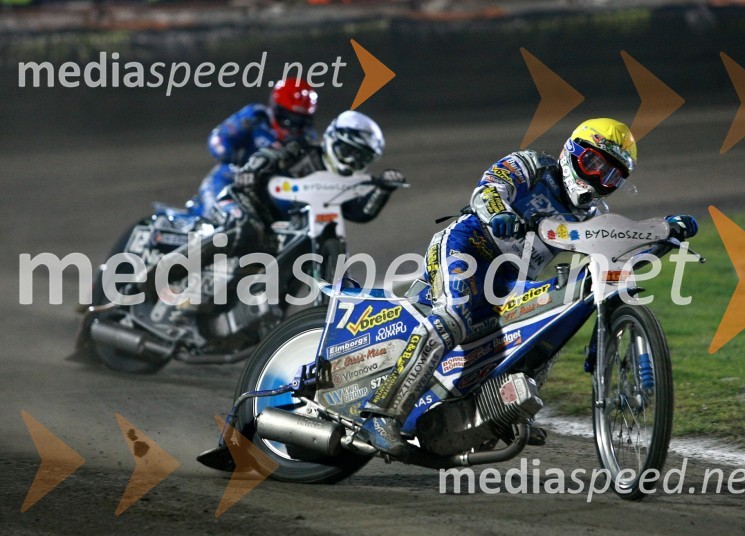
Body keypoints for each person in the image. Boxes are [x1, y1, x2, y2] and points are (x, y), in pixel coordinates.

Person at [359, 118, 698, 458]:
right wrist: (498, 214)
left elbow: (618, 244)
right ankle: (381, 413)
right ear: (572, 152)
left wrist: (664, 231)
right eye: (593, 164)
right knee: (454, 317)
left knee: (549, 321)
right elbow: (488, 189)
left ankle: (501, 407)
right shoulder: (531, 165)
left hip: (511, 278)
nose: (597, 178)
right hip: (468, 247)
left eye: (611, 176)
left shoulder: (595, 213)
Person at [213, 110, 404, 259]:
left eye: (361, 159)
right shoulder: (301, 148)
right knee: (244, 229)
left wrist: (383, 189)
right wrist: (252, 170)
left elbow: (359, 213)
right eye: (348, 151)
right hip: (252, 206)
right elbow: (269, 154)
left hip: (282, 235)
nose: (351, 161)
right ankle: (185, 262)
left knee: (300, 264)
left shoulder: (345, 184)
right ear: (333, 139)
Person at [189, 78, 319, 217]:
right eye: (288, 118)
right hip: (238, 178)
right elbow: (219, 138)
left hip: (276, 189)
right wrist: (231, 159)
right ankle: (215, 217)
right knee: (223, 175)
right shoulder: (255, 117)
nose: (294, 126)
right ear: (275, 109)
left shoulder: (307, 139)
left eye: (300, 121)